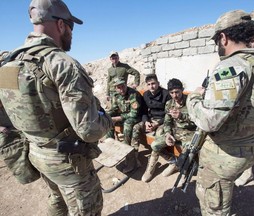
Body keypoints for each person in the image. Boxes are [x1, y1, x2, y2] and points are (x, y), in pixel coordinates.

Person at [0, 0, 113, 215]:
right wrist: (104, 118)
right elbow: (89, 130)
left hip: (36, 153)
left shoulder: (9, 63)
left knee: (58, 201)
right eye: (70, 26)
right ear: (61, 25)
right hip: (67, 161)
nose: (71, 32)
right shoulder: (61, 64)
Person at [186, 10, 254, 215]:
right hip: (248, 147)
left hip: (223, 155)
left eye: (217, 41)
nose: (218, 47)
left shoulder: (231, 67)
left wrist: (194, 98)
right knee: (223, 192)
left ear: (223, 37)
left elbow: (209, 121)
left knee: (214, 206)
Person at [141, 78, 196, 182]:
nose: (175, 95)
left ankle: (181, 170)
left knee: (187, 152)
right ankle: (153, 168)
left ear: (182, 89)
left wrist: (182, 116)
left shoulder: (191, 102)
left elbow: (199, 120)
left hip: (190, 133)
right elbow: (167, 122)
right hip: (175, 132)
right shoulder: (169, 103)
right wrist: (167, 134)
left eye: (177, 92)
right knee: (154, 145)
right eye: (171, 93)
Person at [235, 27, 254, 187]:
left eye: (253, 41)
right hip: (242, 108)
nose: (250, 44)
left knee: (251, 140)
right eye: (247, 41)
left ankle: (248, 172)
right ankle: (243, 167)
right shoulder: (244, 60)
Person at [131, 74, 171, 165]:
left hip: (163, 120)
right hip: (151, 119)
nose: (151, 86)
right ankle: (134, 156)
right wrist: (146, 122)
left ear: (158, 83)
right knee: (136, 127)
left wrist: (157, 123)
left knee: (159, 135)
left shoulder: (166, 94)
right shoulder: (146, 94)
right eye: (148, 84)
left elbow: (169, 114)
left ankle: (168, 158)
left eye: (153, 83)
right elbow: (143, 111)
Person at [106, 77, 143, 173]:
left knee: (127, 125)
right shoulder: (115, 95)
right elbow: (114, 109)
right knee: (108, 121)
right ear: (115, 88)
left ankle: (130, 160)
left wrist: (118, 118)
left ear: (126, 85)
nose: (121, 89)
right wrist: (107, 115)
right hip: (124, 116)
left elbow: (134, 114)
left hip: (136, 117)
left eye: (123, 86)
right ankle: (110, 148)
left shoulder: (133, 94)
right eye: (119, 87)